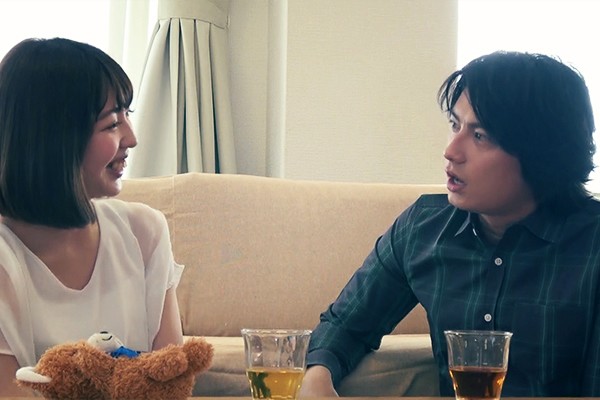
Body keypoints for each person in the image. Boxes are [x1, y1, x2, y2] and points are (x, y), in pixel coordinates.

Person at [300, 50, 600, 397]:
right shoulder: (423, 228)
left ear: (541, 154)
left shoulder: (591, 245)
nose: (451, 151)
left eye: (480, 135)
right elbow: (345, 325)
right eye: (455, 125)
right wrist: (317, 379)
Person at [0, 38, 184, 396]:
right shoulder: (6, 261)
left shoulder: (144, 232)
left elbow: (171, 381)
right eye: (112, 123)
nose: (131, 138)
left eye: (127, 116)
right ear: (55, 138)